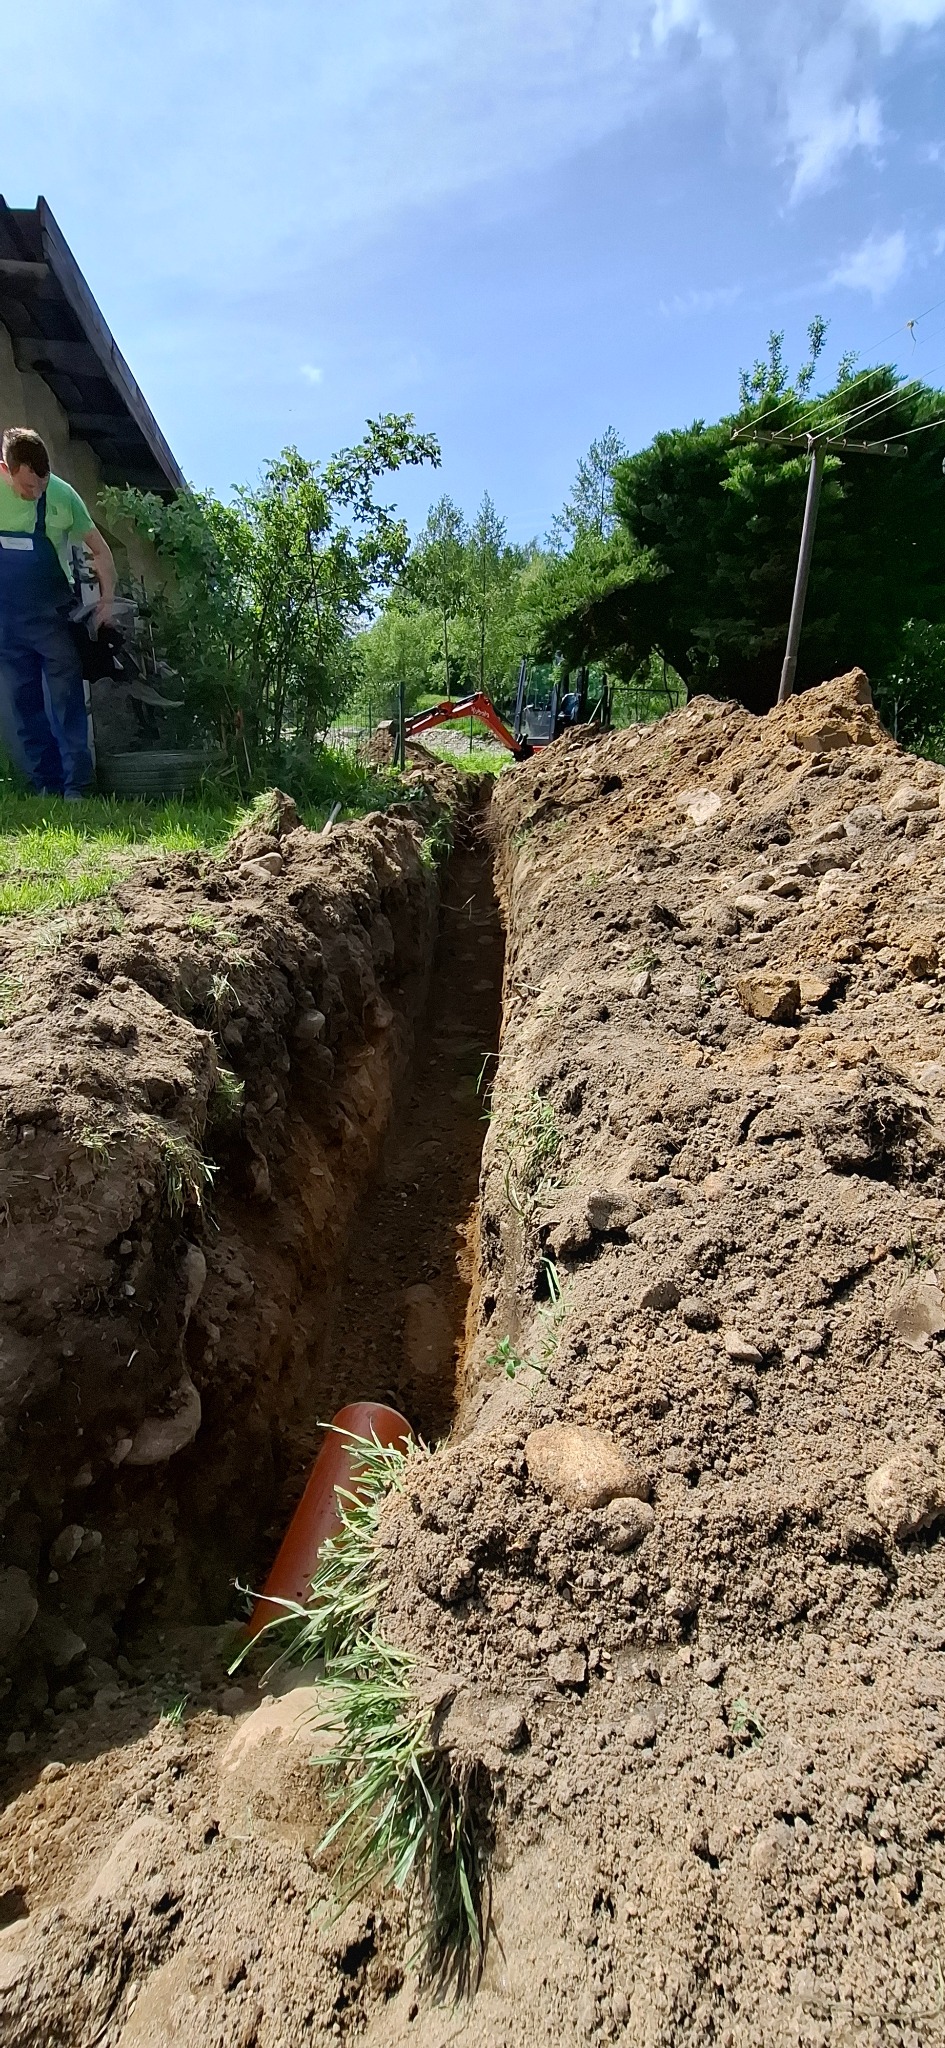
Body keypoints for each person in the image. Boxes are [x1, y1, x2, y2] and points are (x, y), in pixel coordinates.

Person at [0, 426, 116, 798]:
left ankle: (78, 787)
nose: (36, 492)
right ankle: (43, 786)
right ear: (6, 469)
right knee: (25, 705)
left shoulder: (63, 496)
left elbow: (102, 552)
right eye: (28, 487)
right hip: (7, 620)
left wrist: (106, 600)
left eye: (42, 484)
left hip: (54, 617)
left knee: (67, 703)